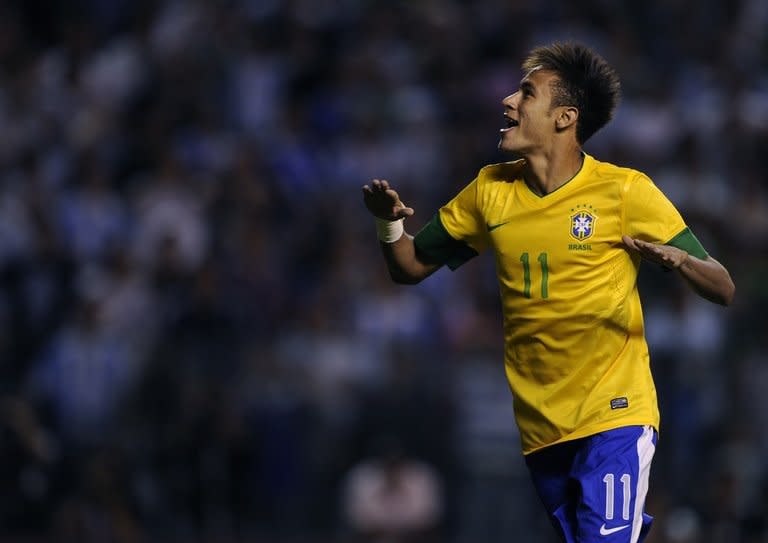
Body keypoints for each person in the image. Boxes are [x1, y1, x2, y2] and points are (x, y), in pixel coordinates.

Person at [361, 42, 735, 543]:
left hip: (616, 416)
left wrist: (683, 260)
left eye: (526, 93)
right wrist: (388, 225)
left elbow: (723, 285)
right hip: (543, 432)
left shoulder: (624, 192)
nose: (508, 103)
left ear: (565, 117)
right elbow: (408, 267)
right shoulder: (489, 191)